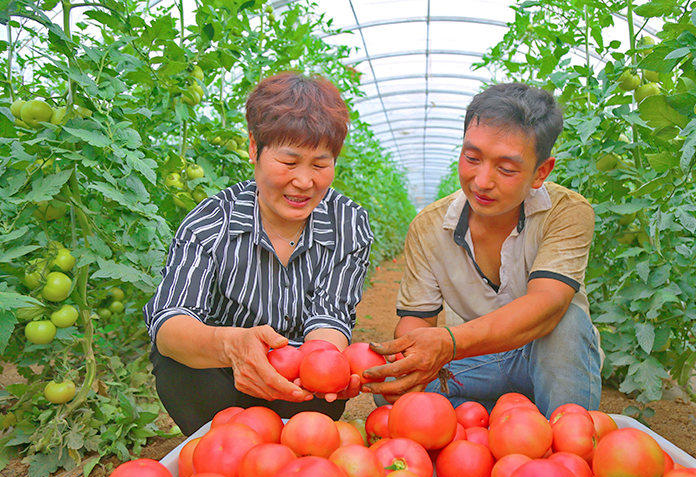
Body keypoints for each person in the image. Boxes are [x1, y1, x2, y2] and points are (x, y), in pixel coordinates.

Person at [143, 72, 372, 435]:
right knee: (174, 363)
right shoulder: (211, 220)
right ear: (254, 148)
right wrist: (232, 347)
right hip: (217, 384)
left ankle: (295, 441)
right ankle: (221, 444)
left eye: (320, 164)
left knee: (326, 370)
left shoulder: (349, 223)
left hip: (300, 391)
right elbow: (171, 320)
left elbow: (331, 316)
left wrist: (320, 366)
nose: (304, 181)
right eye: (289, 161)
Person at [363, 82, 601, 419]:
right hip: (481, 360)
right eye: (472, 158)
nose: (482, 180)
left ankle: (564, 440)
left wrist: (450, 342)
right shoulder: (430, 228)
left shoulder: (566, 212)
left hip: (546, 355)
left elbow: (547, 304)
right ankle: (505, 420)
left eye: (506, 169)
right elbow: (417, 319)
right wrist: (411, 359)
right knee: (394, 391)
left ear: (541, 172)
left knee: (566, 323)